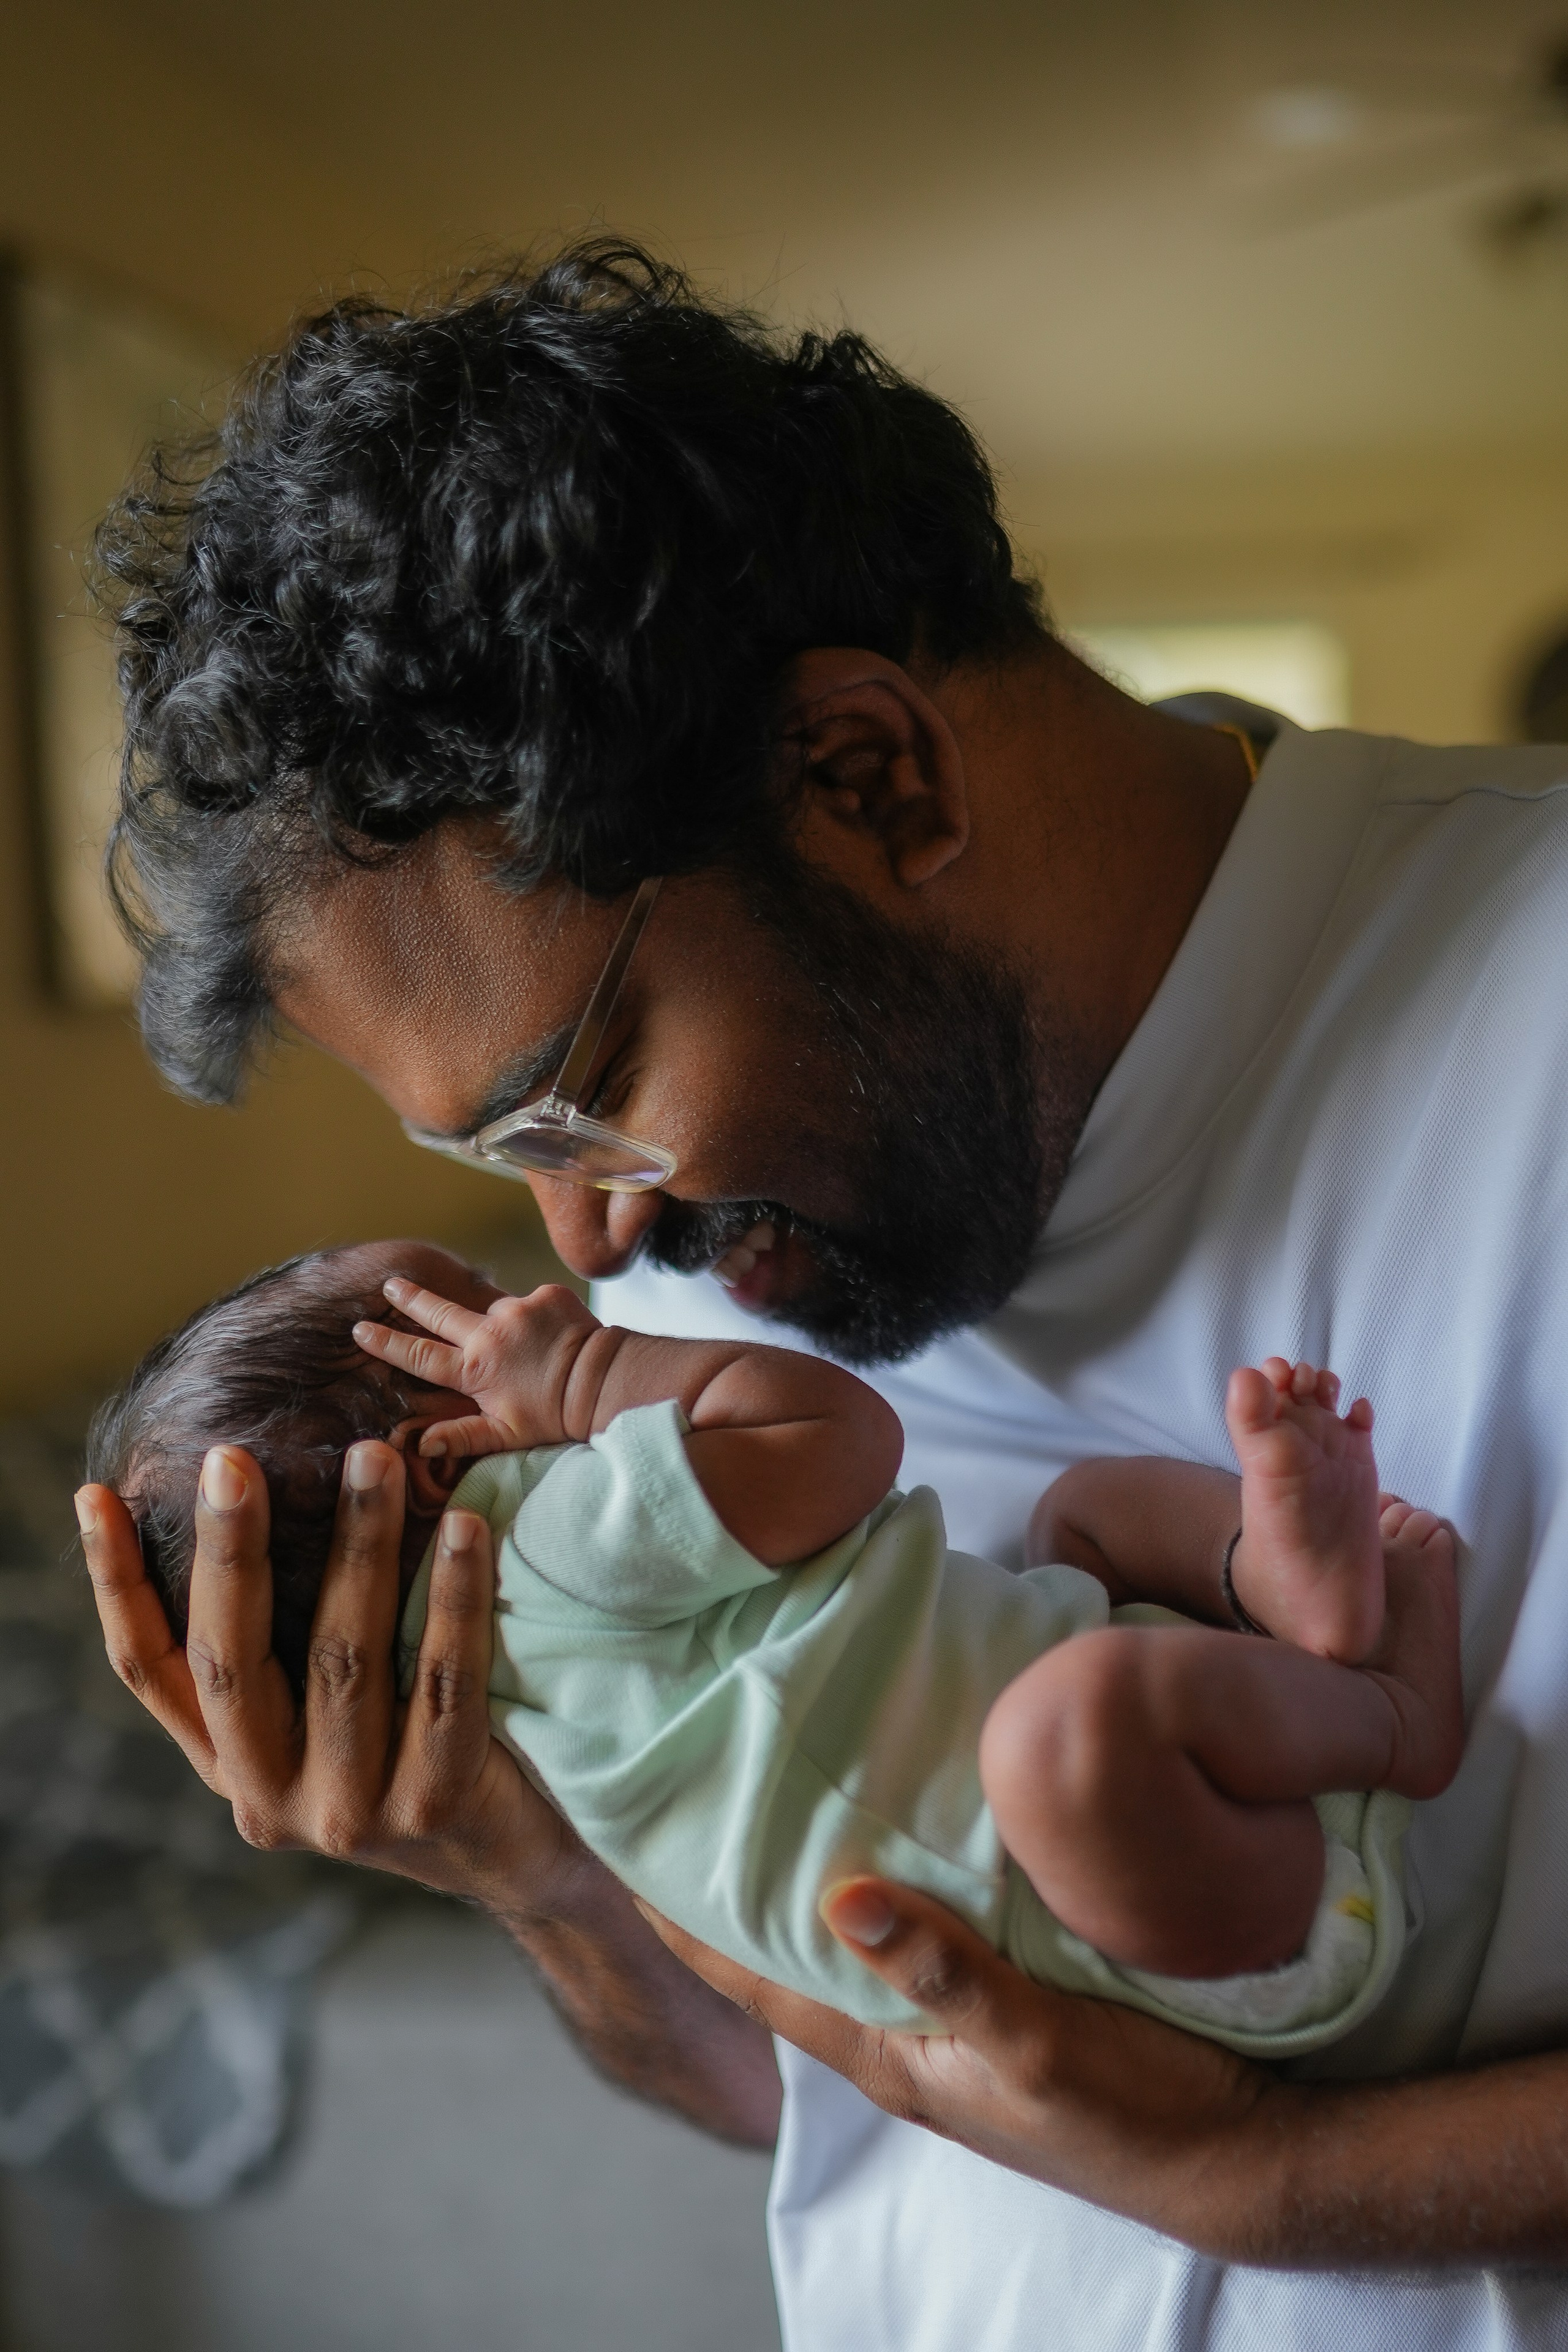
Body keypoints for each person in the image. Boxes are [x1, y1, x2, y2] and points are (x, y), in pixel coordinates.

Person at [72, 237, 1568, 2349]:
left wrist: (1276, 2185)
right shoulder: (707, 1308)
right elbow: (834, 2092)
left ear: (874, 776)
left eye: (580, 1100)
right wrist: (531, 1862)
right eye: (504, 1173)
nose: (583, 1243)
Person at [86, 1238, 1461, 2049]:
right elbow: (842, 1440)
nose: (542, 1303)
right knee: (1076, 1707)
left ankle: (1274, 1588)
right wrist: (581, 1378)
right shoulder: (555, 1533)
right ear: (440, 1459)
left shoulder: (486, 1728)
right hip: (1192, 1937)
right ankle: (1390, 1712)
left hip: (1124, 1901)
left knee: (1080, 1526)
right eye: (485, 1316)